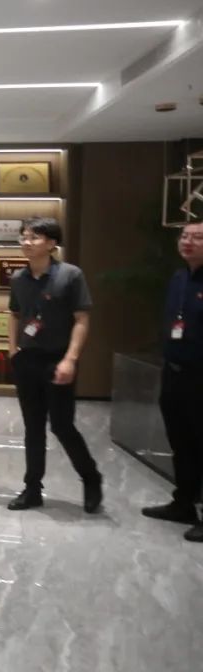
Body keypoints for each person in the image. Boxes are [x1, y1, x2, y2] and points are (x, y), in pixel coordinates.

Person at [6, 217, 102, 513]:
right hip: (28, 360)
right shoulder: (19, 278)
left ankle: (91, 478)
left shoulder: (71, 275)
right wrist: (13, 351)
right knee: (32, 427)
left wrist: (70, 359)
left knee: (61, 425)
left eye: (34, 237)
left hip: (58, 359)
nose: (26, 242)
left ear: (51, 243)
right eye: (24, 237)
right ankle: (32, 488)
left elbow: (82, 320)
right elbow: (14, 314)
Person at [142, 222, 203, 541]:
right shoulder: (179, 277)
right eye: (185, 236)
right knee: (181, 442)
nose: (188, 241)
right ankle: (183, 504)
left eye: (198, 237)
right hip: (175, 372)